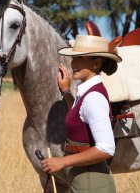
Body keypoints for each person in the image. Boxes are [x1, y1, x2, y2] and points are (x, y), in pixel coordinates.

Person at [41, 34, 122, 192]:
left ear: (96, 63)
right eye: (73, 58)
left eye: (79, 58)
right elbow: (79, 116)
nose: (72, 63)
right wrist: (66, 90)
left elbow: (106, 148)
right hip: (85, 180)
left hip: (91, 184)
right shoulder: (87, 93)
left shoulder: (93, 98)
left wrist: (62, 162)